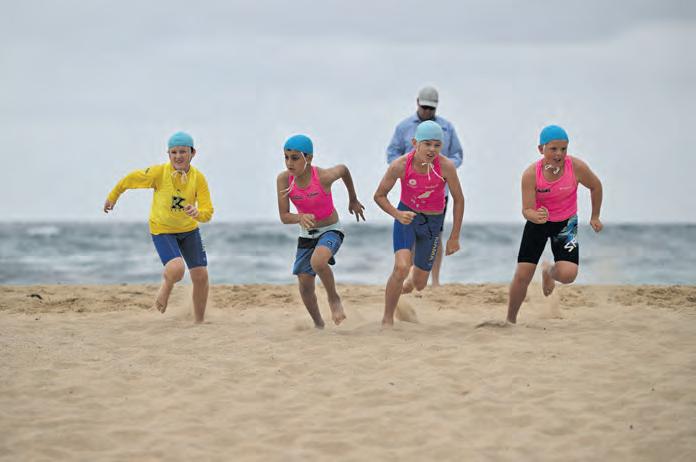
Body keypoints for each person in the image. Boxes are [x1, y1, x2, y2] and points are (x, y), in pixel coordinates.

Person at [103, 131, 213, 323]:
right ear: (168, 154)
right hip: (163, 229)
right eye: (174, 152)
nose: (178, 156)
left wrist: (197, 213)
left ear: (192, 153)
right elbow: (130, 179)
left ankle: (199, 321)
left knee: (201, 276)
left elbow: (207, 211)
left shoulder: (198, 178)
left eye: (183, 152)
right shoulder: (159, 173)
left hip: (189, 230)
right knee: (177, 269)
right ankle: (166, 286)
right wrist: (113, 197)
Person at [506, 125, 603, 324]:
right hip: (538, 224)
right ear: (541, 149)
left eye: (563, 149)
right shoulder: (531, 174)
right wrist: (534, 215)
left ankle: (548, 272)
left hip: (566, 224)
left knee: (568, 275)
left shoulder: (576, 167)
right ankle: (510, 320)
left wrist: (595, 216)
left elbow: (595, 186)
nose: (559, 154)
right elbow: (526, 210)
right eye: (553, 149)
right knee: (523, 275)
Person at [375, 121, 465, 327]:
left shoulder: (446, 166)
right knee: (401, 267)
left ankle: (406, 285)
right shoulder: (400, 165)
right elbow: (379, 195)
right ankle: (387, 318)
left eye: (437, 145)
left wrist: (454, 237)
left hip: (432, 224)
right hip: (407, 217)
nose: (432, 149)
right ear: (415, 143)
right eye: (427, 144)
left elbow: (459, 200)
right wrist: (397, 214)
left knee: (420, 284)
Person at [276, 134, 365, 329]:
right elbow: (284, 216)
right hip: (307, 234)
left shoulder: (323, 177)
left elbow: (343, 170)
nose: (289, 163)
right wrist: (299, 217)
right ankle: (319, 325)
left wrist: (353, 199)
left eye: (295, 158)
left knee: (318, 261)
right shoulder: (284, 180)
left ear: (308, 158)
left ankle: (333, 298)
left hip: (331, 230)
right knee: (305, 285)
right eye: (286, 157)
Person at [386, 86, 464, 287]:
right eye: (425, 107)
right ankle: (409, 273)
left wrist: (442, 171)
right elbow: (392, 153)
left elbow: (457, 154)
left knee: (434, 235)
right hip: (411, 192)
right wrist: (407, 169)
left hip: (438, 193)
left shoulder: (447, 127)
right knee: (409, 233)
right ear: (417, 103)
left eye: (432, 108)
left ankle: (434, 280)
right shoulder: (403, 127)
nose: (428, 111)